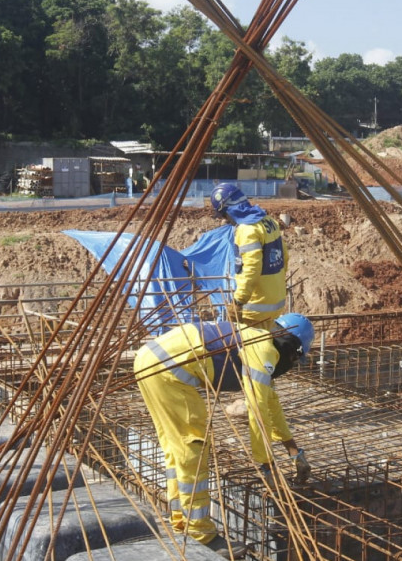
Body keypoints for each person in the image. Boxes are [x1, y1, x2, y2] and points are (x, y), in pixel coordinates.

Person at [134, 313, 314, 557]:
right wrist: (266, 465)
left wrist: (294, 451)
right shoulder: (264, 351)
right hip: (167, 370)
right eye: (295, 359)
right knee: (192, 448)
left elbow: (271, 403)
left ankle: (181, 520)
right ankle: (199, 532)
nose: (292, 365)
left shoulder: (260, 341)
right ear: (293, 348)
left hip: (151, 361)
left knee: (176, 448)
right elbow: (258, 412)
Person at [211, 183, 289, 328]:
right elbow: (284, 257)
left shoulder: (247, 230)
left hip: (255, 308)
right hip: (275, 303)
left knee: (251, 342)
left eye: (224, 214)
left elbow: (252, 268)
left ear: (228, 210)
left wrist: (238, 301)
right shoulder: (268, 221)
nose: (226, 219)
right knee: (268, 340)